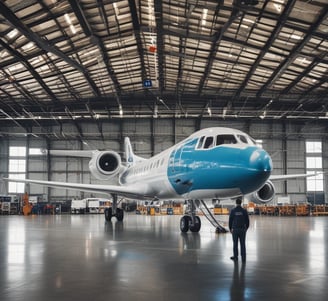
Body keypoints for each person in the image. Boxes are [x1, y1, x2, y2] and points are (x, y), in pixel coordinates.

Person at [229, 197, 249, 262]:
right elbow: (247, 221)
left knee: (235, 244)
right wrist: (246, 228)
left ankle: (235, 257)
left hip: (235, 230)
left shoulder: (233, 211)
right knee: (243, 244)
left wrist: (230, 229)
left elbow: (230, 221)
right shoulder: (244, 211)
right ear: (241, 203)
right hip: (242, 230)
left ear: (236, 203)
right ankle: (243, 258)